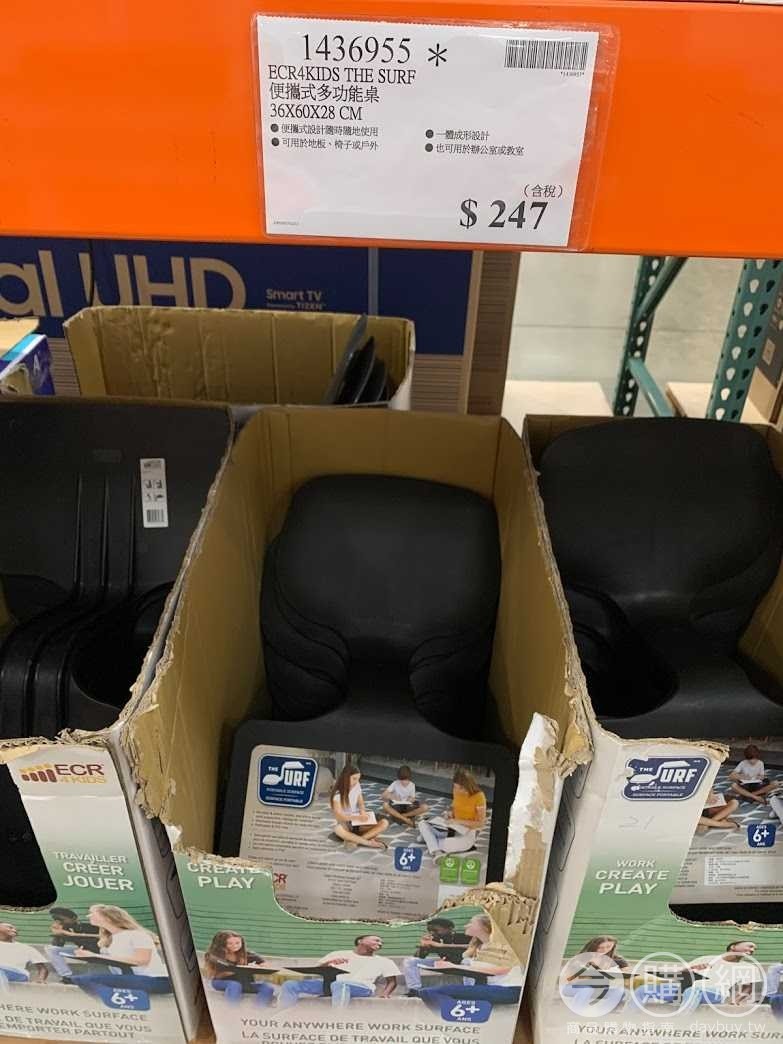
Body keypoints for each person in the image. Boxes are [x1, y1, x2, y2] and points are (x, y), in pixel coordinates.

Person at [58, 904, 172, 996]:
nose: (89, 916)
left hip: (157, 980)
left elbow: (142, 960)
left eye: (93, 914)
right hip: (131, 979)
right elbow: (115, 961)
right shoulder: (109, 940)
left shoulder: (137, 935)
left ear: (108, 918)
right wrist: (86, 956)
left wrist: (94, 956)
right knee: (80, 979)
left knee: (88, 979)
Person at [417, 914, 523, 1009]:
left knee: (433, 992)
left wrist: (454, 966)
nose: (465, 926)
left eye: (471, 923)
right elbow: (475, 971)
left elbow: (501, 970)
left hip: (509, 988)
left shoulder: (503, 944)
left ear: (485, 927)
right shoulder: (479, 947)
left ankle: (451, 1018)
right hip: (488, 986)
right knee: (425, 992)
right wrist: (445, 966)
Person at [277, 935, 398, 1009]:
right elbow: (318, 969)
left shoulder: (384, 961)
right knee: (290, 984)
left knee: (340, 984)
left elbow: (392, 981)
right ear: (360, 941)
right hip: (331, 985)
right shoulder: (338, 953)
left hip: (363, 988)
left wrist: (385, 994)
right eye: (376, 940)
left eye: (381, 943)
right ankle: (282, 1015)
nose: (379, 944)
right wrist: (329, 962)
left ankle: (337, 1017)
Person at [418, 769, 486, 859]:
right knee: (422, 823)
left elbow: (480, 823)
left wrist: (457, 821)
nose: (457, 790)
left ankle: (429, 838)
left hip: (467, 831)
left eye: (460, 788)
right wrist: (449, 813)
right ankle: (437, 852)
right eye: (455, 787)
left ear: (469, 785)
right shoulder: (456, 790)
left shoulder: (479, 796)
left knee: (444, 845)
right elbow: (454, 806)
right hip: (452, 827)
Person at [681, 941, 761, 1010]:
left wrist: (735, 1001)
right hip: (690, 989)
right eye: (750, 946)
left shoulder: (749, 967)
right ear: (733, 947)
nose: (752, 950)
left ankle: (681, 1019)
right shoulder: (706, 959)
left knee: (694, 990)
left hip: (717, 993)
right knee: (676, 989)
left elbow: (747, 988)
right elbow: (680, 973)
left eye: (754, 949)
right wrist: (694, 968)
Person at [202, 931, 275, 1006]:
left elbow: (265, 964)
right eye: (230, 943)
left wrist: (257, 966)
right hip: (222, 981)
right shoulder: (214, 955)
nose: (234, 946)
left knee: (267, 987)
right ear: (222, 944)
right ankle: (232, 1008)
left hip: (245, 982)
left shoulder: (247, 954)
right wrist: (237, 970)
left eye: (237, 943)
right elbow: (215, 974)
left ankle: (259, 1009)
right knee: (235, 985)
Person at [402, 918, 471, 993]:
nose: (432, 932)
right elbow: (420, 956)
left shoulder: (462, 937)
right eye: (429, 930)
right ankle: (414, 990)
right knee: (410, 961)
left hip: (461, 964)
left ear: (449, 929)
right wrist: (423, 947)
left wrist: (441, 945)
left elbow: (472, 947)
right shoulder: (435, 939)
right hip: (444, 964)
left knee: (467, 961)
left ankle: (470, 990)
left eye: (435, 930)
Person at [561, 936, 628, 1013]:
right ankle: (577, 1011)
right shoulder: (580, 959)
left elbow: (626, 972)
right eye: (601, 948)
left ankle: (603, 1012)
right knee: (587, 989)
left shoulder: (613, 959)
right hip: (574, 987)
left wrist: (618, 974)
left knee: (619, 991)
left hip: (599, 988)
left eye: (608, 947)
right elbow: (568, 979)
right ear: (593, 946)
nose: (605, 950)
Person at [330, 765, 389, 849]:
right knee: (338, 829)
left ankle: (356, 841)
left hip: (357, 823)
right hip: (346, 825)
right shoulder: (337, 793)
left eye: (358, 779)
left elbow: (361, 803)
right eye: (354, 778)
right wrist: (357, 817)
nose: (356, 782)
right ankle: (368, 842)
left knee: (384, 822)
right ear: (345, 778)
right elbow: (340, 816)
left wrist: (363, 812)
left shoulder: (357, 785)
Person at [0, 923, 48, 987]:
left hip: (19, 973)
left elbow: (42, 968)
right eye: (10, 928)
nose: (14, 930)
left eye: (15, 929)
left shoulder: (26, 948)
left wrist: (41, 979)